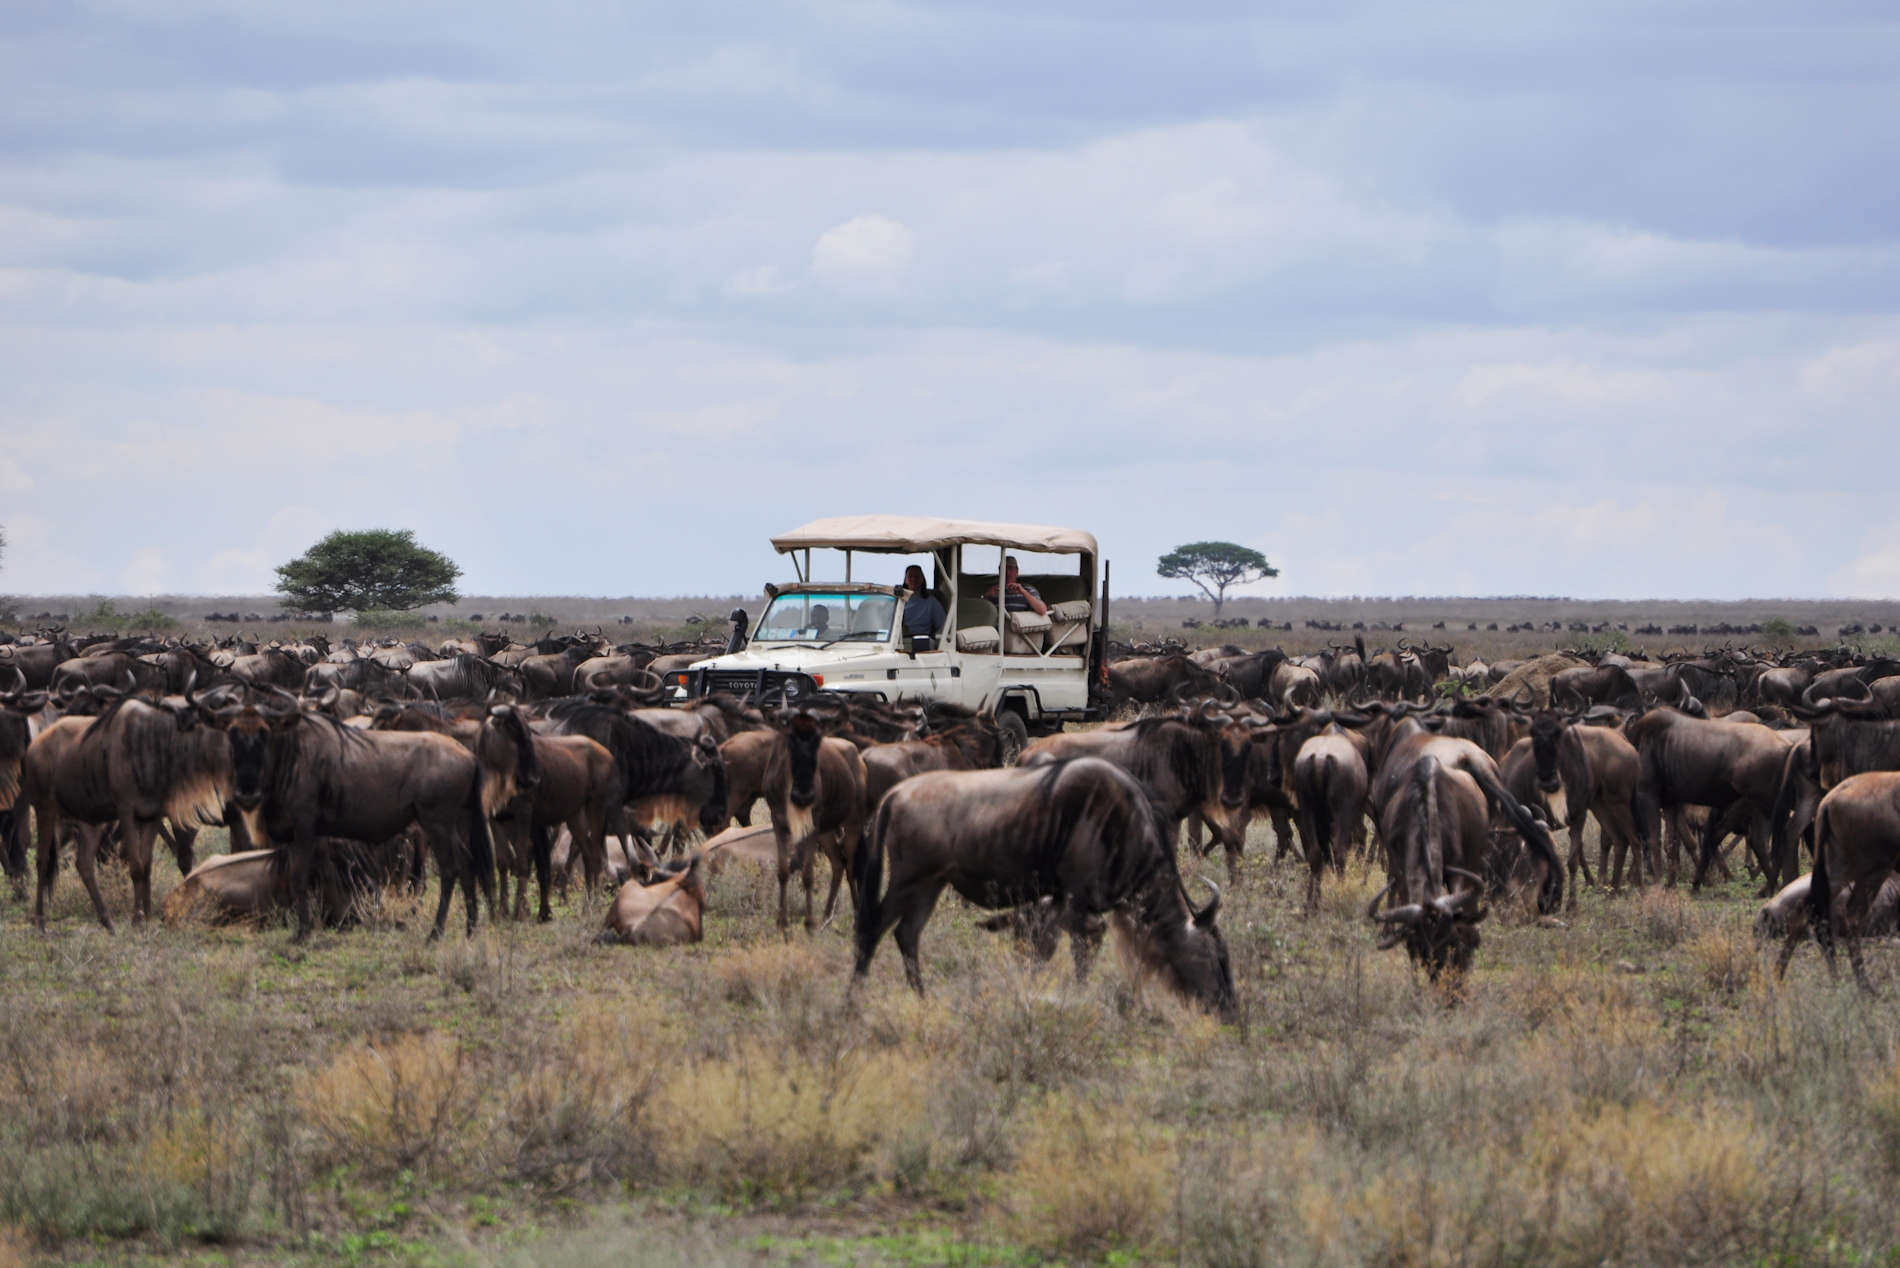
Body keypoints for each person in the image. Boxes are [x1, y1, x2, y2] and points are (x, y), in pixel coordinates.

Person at [902, 565, 946, 643]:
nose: (913, 579)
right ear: (905, 580)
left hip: (923, 641)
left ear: (922, 579)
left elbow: (943, 625)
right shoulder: (898, 600)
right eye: (910, 576)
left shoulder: (931, 602)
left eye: (917, 576)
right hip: (900, 640)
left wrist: (937, 643)